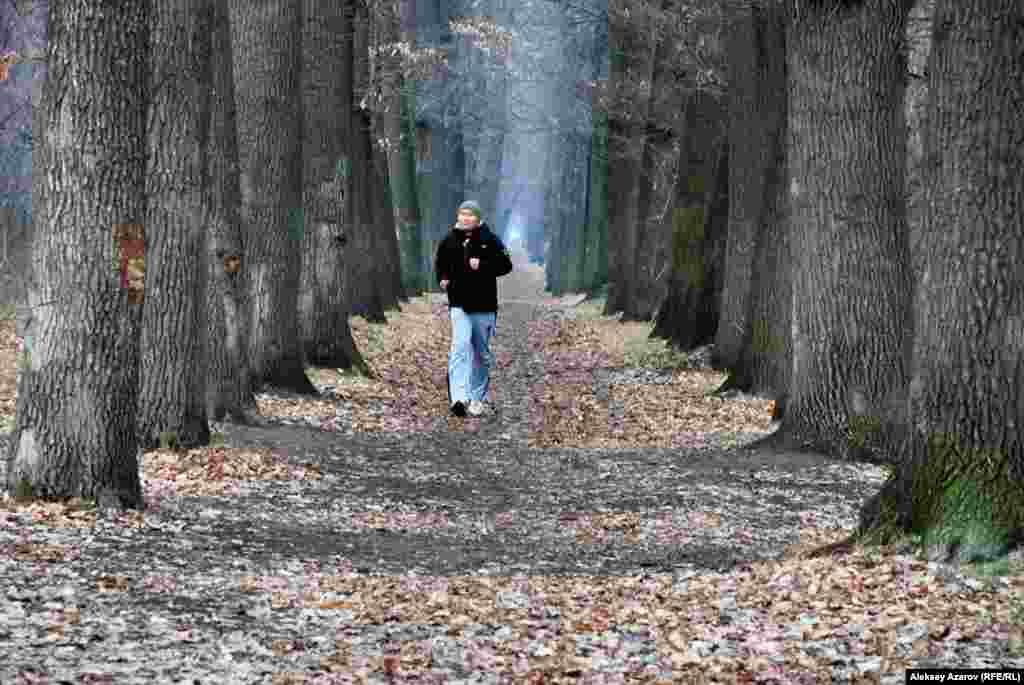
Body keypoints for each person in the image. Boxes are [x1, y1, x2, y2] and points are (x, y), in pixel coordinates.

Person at [435, 200, 514, 417]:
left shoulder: (490, 240)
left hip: (484, 304)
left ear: (478, 218)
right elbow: (440, 264)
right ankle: (458, 398)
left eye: (471, 215)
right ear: (458, 216)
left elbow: (507, 265)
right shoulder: (449, 240)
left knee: (480, 353)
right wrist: (442, 279)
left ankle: (476, 397)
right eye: (463, 214)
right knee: (459, 347)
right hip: (458, 303)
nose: (466, 218)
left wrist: (484, 266)